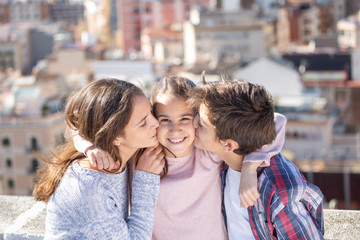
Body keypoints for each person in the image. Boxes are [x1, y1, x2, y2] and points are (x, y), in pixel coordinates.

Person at [74, 76, 287, 239]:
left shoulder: (206, 151)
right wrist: (89, 146)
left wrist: (250, 167)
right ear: (152, 120)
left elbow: (275, 121)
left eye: (185, 118)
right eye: (164, 119)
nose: (175, 130)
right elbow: (77, 122)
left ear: (198, 119)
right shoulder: (142, 155)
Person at [188, 78, 325, 240]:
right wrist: (249, 166)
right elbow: (276, 119)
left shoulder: (278, 191)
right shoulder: (227, 158)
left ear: (228, 145)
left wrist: (249, 167)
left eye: (202, 124)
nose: (193, 122)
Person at [33, 79, 165, 240]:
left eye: (151, 113)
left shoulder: (117, 152)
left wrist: (87, 144)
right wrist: (145, 178)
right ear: (115, 137)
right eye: (143, 123)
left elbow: (79, 122)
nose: (156, 122)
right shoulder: (89, 187)